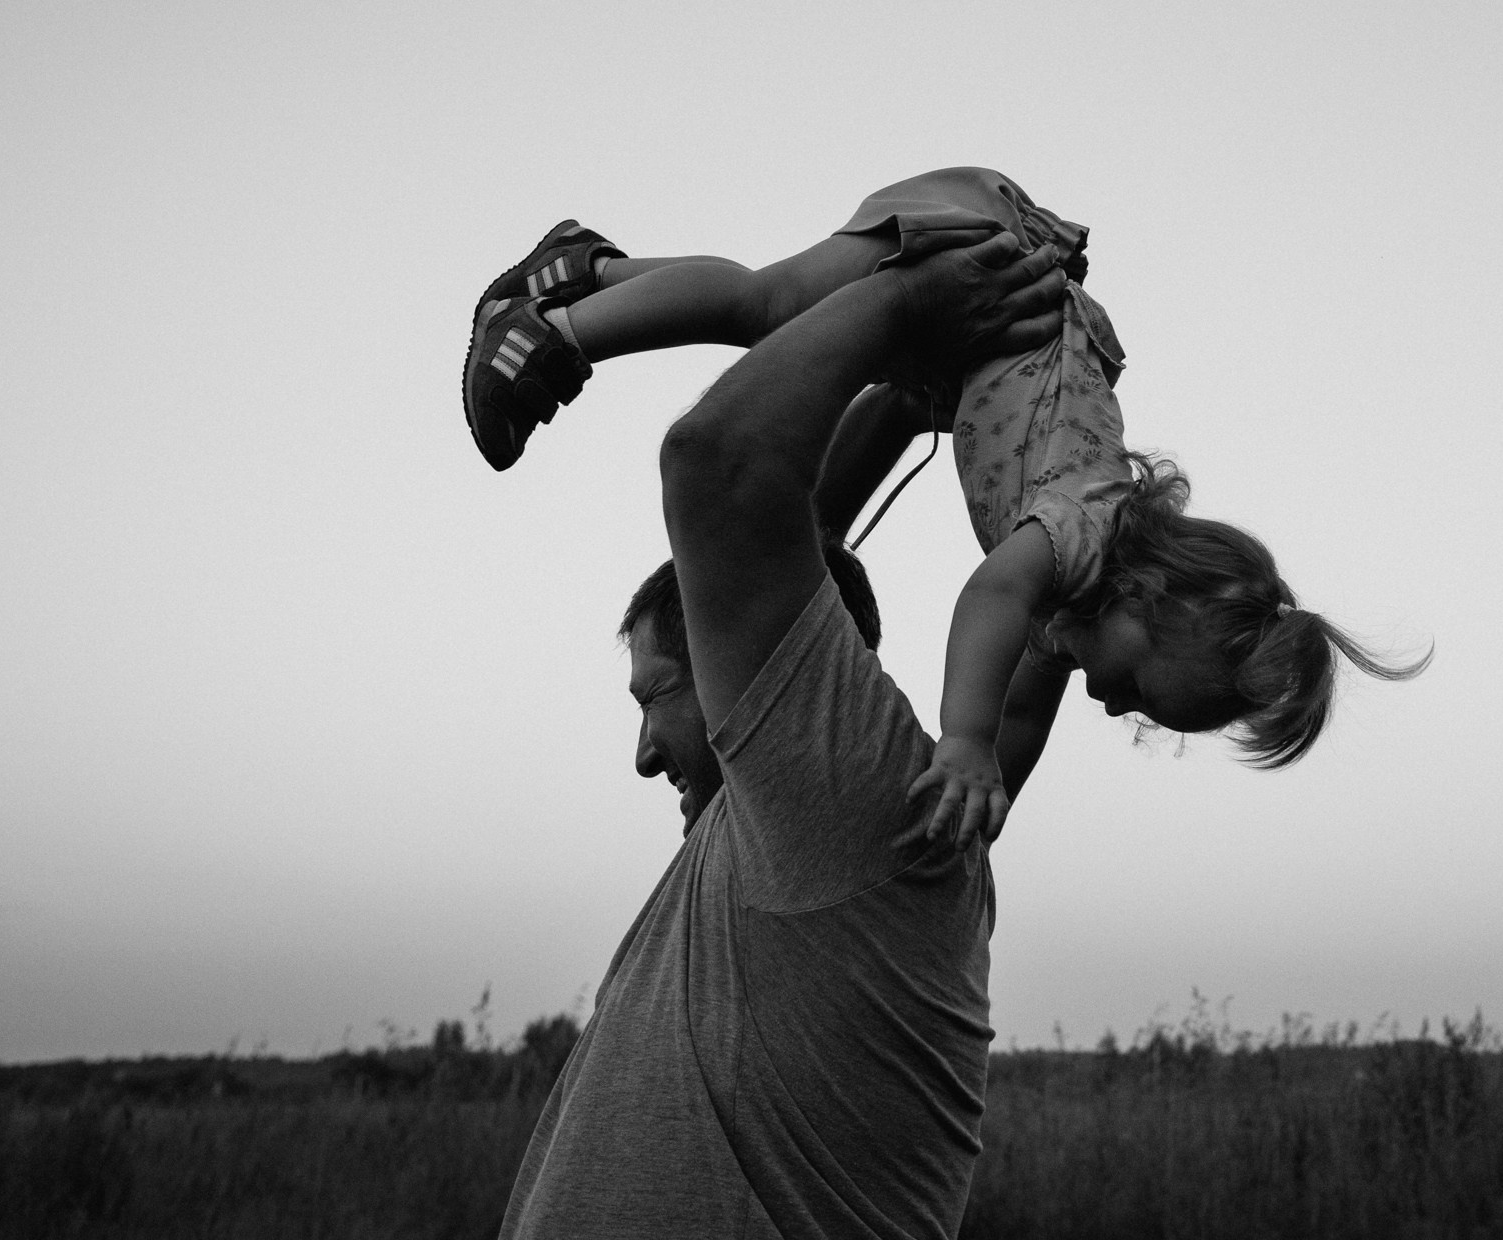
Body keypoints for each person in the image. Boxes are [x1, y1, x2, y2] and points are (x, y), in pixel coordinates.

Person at [462, 169, 1427, 850]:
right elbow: (987, 601)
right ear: (1161, 597)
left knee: (796, 337)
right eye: (1135, 685)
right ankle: (560, 327)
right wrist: (957, 745)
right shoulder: (1089, 525)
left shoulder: (1074, 619)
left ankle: (583, 270)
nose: (1115, 703)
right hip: (988, 248)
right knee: (773, 306)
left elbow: (1015, 721)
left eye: (1135, 715)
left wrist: (973, 805)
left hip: (962, 350)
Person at [498, 230, 1066, 1240]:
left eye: (655, 693)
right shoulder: (804, 831)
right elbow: (801, 536)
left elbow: (718, 466)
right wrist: (898, 403)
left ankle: (588, 287)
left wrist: (913, 307)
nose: (641, 750)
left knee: (766, 308)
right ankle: (592, 276)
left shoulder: (849, 808)